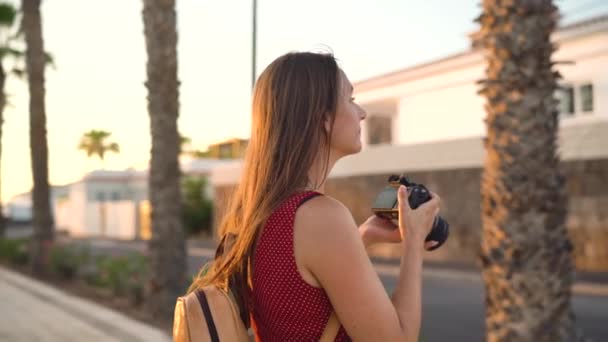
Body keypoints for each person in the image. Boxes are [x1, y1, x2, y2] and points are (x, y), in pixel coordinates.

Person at [189, 51, 441, 341]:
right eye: (351, 99)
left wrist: (364, 238)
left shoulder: (261, 210)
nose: (362, 113)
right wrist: (413, 242)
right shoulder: (322, 217)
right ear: (323, 117)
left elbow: (301, 293)